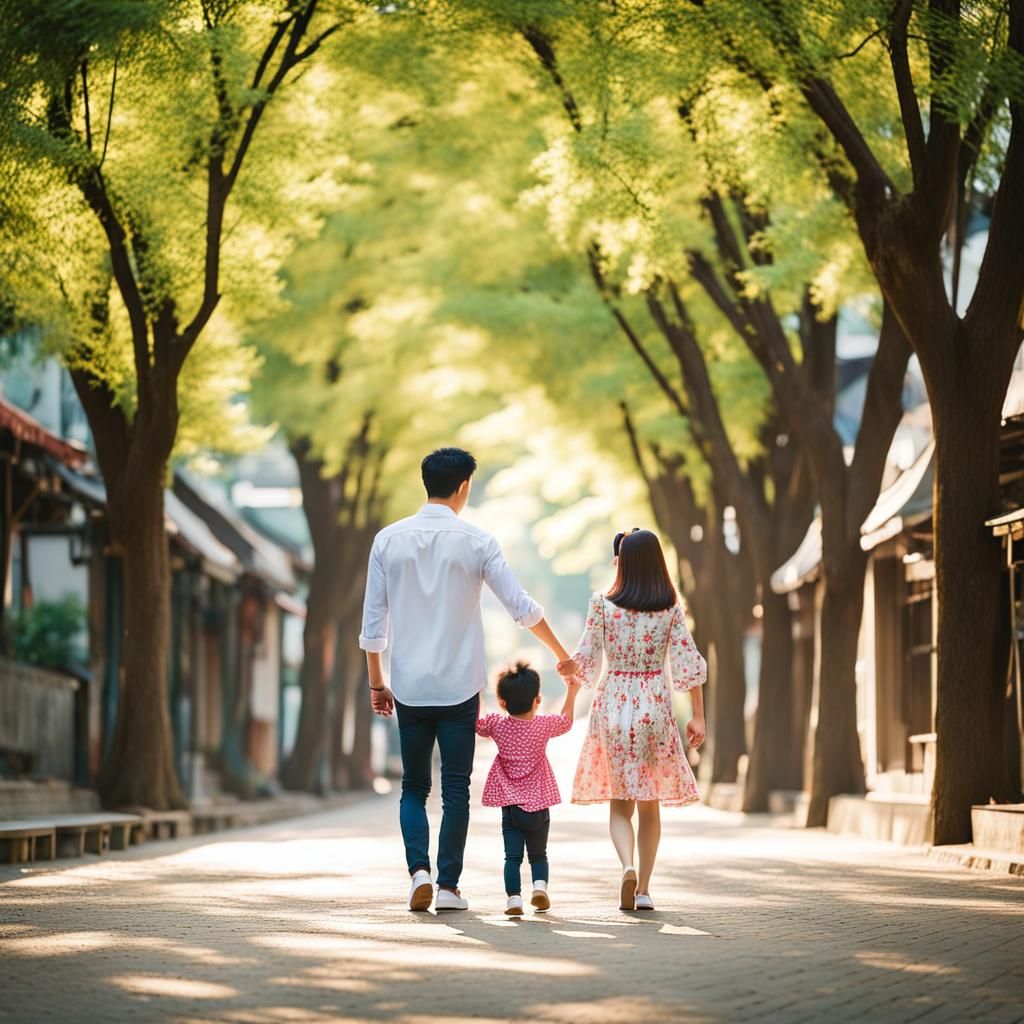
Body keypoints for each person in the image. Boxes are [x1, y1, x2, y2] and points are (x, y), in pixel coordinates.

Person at [359, 447, 576, 913]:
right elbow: (522, 608)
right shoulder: (478, 541)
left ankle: (419, 870)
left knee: (414, 787)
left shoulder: (387, 540)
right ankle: (447, 887)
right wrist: (562, 655)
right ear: (463, 487)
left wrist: (378, 685)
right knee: (456, 788)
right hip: (459, 688)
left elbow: (373, 626)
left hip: (411, 686)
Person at [566, 527, 707, 912]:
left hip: (613, 705)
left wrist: (569, 688)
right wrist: (698, 717)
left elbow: (585, 659)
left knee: (620, 806)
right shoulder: (670, 610)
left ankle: (626, 865)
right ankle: (643, 889)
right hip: (654, 709)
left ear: (622, 561)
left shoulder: (602, 605)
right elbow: (688, 664)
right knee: (650, 805)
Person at [476, 662, 581, 916]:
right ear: (538, 700)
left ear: (502, 702)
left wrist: (477, 692)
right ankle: (540, 887)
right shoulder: (543, 725)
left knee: (512, 857)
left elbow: (478, 724)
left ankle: (513, 899)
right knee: (538, 854)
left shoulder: (497, 725)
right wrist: (572, 692)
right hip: (540, 803)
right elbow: (566, 722)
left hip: (510, 806)